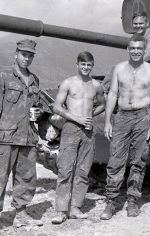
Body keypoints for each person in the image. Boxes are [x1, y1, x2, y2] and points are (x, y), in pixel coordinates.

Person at [100, 33, 150, 220]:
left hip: (143, 116)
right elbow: (112, 94)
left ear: (144, 50)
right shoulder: (119, 69)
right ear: (128, 49)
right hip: (123, 116)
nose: (135, 52)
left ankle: (133, 201)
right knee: (115, 159)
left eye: (139, 49)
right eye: (132, 48)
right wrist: (108, 120)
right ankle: (111, 201)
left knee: (138, 160)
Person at [51, 51, 105, 224]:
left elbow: (102, 104)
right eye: (83, 64)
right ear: (77, 65)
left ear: (92, 66)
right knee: (65, 169)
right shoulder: (68, 83)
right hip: (71, 128)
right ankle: (61, 210)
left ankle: (75, 208)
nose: (86, 68)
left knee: (83, 170)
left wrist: (90, 116)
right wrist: (77, 118)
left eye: (89, 65)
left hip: (88, 130)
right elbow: (56, 107)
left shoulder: (96, 85)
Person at [0, 39, 41, 228]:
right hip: (6, 136)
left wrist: (38, 112)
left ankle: (21, 213)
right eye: (24, 54)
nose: (27, 58)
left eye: (30, 55)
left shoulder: (34, 80)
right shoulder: (5, 76)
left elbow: (36, 106)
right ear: (15, 54)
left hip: (28, 136)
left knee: (26, 177)